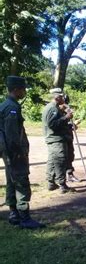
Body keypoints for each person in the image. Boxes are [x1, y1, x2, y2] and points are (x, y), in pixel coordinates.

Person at [0, 76, 45, 229]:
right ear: (16, 89)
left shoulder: (5, 105)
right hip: (14, 153)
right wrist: (18, 152)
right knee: (21, 182)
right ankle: (25, 218)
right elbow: (12, 134)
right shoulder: (11, 107)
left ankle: (14, 215)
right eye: (23, 88)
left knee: (12, 181)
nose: (25, 91)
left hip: (8, 153)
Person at [42, 88, 75, 193]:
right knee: (60, 161)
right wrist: (66, 117)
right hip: (56, 139)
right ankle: (62, 185)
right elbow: (52, 125)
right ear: (57, 97)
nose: (63, 99)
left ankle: (51, 183)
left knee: (52, 161)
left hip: (55, 138)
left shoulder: (55, 108)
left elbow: (59, 124)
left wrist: (69, 124)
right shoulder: (52, 109)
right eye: (61, 96)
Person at [62, 94, 80, 183]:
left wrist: (74, 125)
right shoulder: (58, 110)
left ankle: (70, 174)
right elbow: (61, 124)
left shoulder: (67, 110)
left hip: (69, 137)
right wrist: (71, 125)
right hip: (62, 138)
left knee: (70, 156)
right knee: (62, 157)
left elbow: (68, 125)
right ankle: (60, 178)